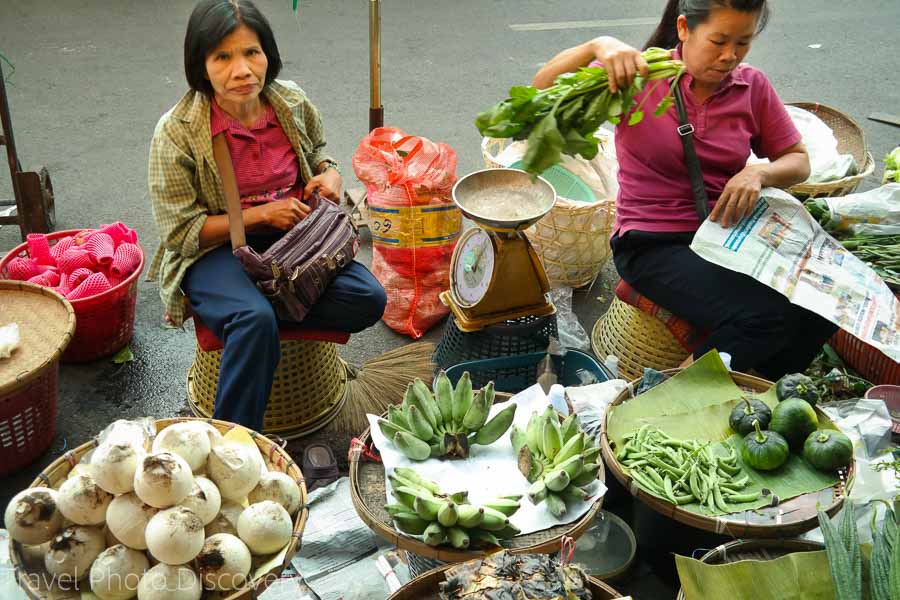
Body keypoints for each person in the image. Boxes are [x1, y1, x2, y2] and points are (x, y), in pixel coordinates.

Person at [533, 0, 836, 379]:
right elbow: (540, 94)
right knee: (764, 317)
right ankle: (663, 398)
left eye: (742, 43)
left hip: (726, 236)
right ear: (683, 28)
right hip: (651, 243)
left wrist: (759, 173)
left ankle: (756, 385)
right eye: (719, 41)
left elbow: (796, 159)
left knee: (823, 306)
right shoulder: (637, 78)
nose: (730, 56)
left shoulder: (752, 86)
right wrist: (597, 45)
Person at [147, 0, 386, 430]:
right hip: (217, 249)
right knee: (253, 321)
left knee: (368, 299)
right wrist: (260, 217)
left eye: (251, 53)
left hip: (295, 244)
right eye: (223, 57)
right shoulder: (178, 131)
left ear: (267, 56)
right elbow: (182, 232)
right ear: (201, 65)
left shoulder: (289, 102)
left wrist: (329, 175)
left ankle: (254, 312)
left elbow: (318, 153)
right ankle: (233, 447)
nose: (241, 70)